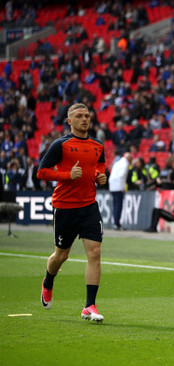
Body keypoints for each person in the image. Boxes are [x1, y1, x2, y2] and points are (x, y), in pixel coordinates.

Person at [36, 103, 107, 323]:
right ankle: (48, 282)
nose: (84, 119)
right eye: (79, 116)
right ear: (69, 121)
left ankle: (89, 306)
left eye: (87, 115)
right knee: (61, 255)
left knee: (94, 253)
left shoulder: (98, 146)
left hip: (89, 206)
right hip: (65, 207)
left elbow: (100, 167)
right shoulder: (61, 145)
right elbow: (41, 172)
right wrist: (68, 175)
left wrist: (100, 177)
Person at [109, 151, 131, 230]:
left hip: (112, 186)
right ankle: (117, 224)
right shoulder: (125, 164)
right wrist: (123, 188)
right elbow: (122, 176)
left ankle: (116, 223)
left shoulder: (117, 163)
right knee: (119, 206)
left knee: (115, 205)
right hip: (118, 187)